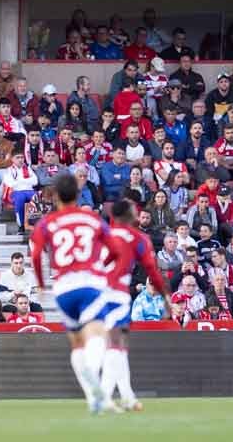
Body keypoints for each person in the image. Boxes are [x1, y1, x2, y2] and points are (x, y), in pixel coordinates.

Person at [29, 174, 127, 413]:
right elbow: (115, 251)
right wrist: (103, 270)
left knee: (76, 343)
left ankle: (93, 397)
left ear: (55, 196)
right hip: (89, 283)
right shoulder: (91, 219)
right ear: (77, 193)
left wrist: (42, 284)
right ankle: (93, 375)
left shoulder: (47, 223)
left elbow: (35, 253)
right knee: (98, 335)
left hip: (62, 289)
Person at [97, 198, 168, 412]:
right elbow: (152, 270)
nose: (137, 213)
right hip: (115, 293)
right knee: (116, 344)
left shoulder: (103, 235)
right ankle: (105, 396)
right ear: (127, 215)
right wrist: (166, 295)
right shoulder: (138, 238)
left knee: (119, 345)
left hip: (97, 291)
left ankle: (127, 396)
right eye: (134, 210)